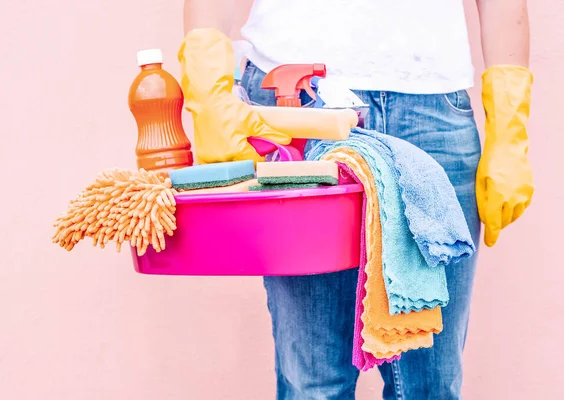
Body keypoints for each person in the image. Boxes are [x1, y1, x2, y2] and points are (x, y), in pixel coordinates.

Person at [179, 0, 534, 399]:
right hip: (293, 105)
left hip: (431, 106)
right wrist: (208, 90)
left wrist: (510, 127)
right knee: (314, 385)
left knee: (430, 387)